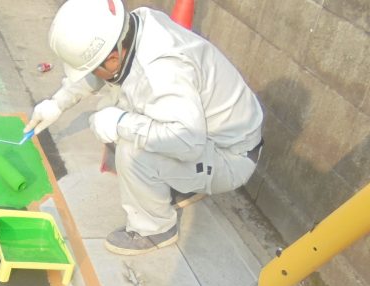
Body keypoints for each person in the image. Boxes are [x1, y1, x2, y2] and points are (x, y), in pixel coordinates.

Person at [25, 0, 264, 256]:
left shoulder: (162, 70)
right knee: (119, 112)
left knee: (132, 149)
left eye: (93, 67)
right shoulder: (132, 28)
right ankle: (178, 183)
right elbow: (97, 70)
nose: (92, 73)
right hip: (211, 134)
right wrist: (58, 102)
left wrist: (120, 124)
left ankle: (155, 229)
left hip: (229, 156)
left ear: (113, 58)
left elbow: (188, 141)